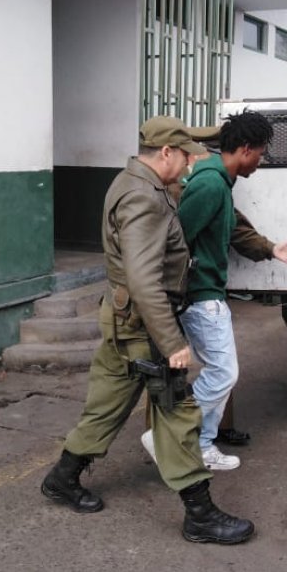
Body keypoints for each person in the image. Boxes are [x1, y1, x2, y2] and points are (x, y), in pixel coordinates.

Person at [41, 115, 254, 545]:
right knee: (177, 411)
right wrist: (173, 342)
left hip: (125, 322)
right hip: (143, 326)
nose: (193, 164)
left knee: (107, 404)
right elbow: (142, 279)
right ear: (167, 153)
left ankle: (63, 477)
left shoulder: (137, 184)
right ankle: (199, 513)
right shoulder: (143, 197)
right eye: (188, 156)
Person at [175, 110, 287, 471]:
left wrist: (269, 249)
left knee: (220, 373)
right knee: (223, 374)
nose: (260, 163)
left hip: (208, 294)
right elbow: (176, 239)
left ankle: (200, 445)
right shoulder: (210, 184)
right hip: (200, 296)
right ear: (245, 149)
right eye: (261, 154)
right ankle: (174, 436)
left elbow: (231, 229)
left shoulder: (220, 183)